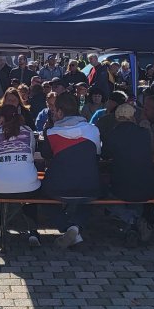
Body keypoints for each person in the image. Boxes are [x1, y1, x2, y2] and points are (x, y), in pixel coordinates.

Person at [40, 91, 101, 248]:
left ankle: (67, 227)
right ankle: (76, 226)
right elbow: (97, 156)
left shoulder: (51, 132)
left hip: (58, 186)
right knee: (89, 198)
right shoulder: (93, 130)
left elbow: (45, 155)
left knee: (42, 197)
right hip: (90, 185)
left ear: (59, 112)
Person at [0, 104, 42, 249]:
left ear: (1, 117)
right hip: (27, 186)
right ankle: (33, 232)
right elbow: (31, 153)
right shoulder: (28, 132)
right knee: (30, 195)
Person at [100, 102, 154, 232]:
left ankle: (131, 220)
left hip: (121, 186)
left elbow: (105, 155)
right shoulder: (144, 133)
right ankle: (135, 225)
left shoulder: (112, 135)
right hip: (148, 186)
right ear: (132, 117)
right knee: (136, 189)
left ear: (117, 118)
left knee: (104, 193)